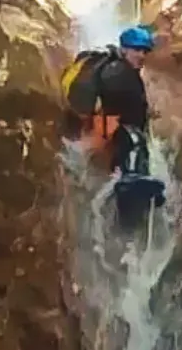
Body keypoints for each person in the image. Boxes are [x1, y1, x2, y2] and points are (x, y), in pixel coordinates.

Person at [62, 24, 165, 230]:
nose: (142, 55)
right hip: (110, 128)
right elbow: (118, 104)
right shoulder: (119, 71)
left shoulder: (119, 68)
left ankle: (127, 189)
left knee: (128, 143)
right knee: (134, 140)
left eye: (145, 50)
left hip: (108, 129)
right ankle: (131, 179)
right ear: (125, 48)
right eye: (137, 49)